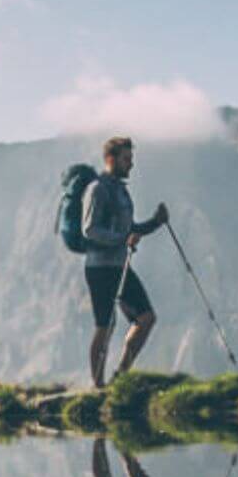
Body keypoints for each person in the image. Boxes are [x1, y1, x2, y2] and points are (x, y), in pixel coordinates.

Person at [82, 135, 168, 389]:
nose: (131, 164)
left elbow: (132, 230)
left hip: (120, 266)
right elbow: (90, 229)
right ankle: (98, 386)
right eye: (126, 159)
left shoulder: (121, 191)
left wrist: (156, 222)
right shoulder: (97, 189)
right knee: (104, 325)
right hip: (99, 268)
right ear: (111, 159)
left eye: (131, 159)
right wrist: (122, 240)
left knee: (146, 318)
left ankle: (120, 377)